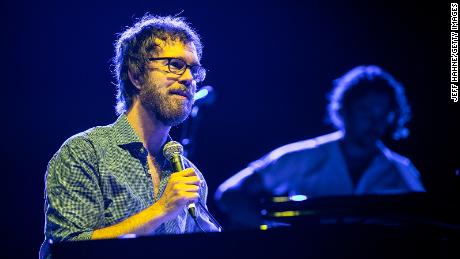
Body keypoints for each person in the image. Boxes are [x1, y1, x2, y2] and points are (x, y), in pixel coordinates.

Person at [40, 15, 220, 259]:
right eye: (175, 65)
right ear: (136, 75)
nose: (188, 78)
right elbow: (67, 250)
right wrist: (162, 209)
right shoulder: (85, 153)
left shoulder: (190, 175)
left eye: (194, 70)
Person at [215, 65, 425, 228]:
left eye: (383, 113)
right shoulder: (300, 157)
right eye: (365, 110)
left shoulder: (402, 171)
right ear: (344, 110)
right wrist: (272, 232)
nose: (374, 121)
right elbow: (230, 194)